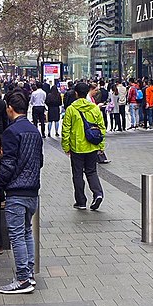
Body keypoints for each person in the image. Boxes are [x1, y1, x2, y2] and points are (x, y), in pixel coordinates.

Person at [0, 90, 44, 294]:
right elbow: (40, 161)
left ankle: (22, 279)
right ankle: (28, 274)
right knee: (26, 232)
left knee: (16, 235)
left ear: (9, 109)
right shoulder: (34, 130)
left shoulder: (12, 132)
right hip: (33, 191)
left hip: (17, 191)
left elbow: (7, 166)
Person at [62, 82, 106, 211]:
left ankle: (81, 201)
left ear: (76, 93)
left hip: (77, 147)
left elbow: (66, 130)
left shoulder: (71, 109)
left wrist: (66, 146)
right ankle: (98, 193)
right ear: (87, 92)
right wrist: (101, 145)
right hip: (92, 146)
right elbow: (101, 128)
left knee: (77, 174)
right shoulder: (94, 108)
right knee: (91, 171)